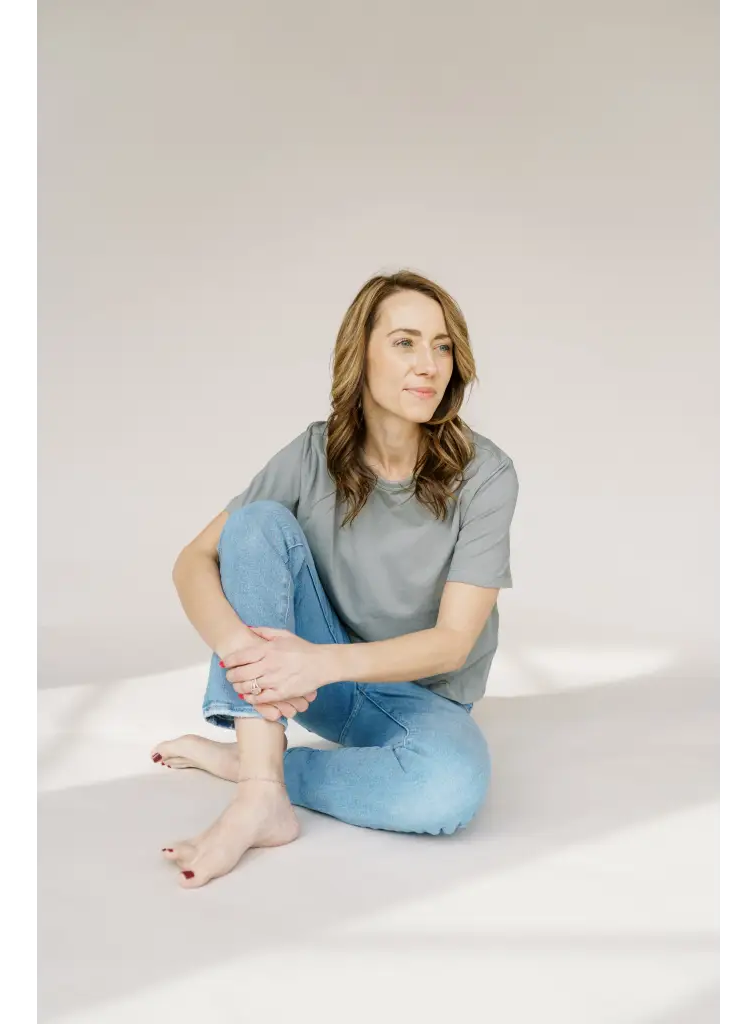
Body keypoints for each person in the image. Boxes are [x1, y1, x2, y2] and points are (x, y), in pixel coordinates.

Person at [152, 270, 519, 888]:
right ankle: (260, 797)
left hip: (417, 697)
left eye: (442, 345)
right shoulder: (310, 454)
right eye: (405, 342)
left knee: (449, 789)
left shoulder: (487, 475)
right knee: (256, 525)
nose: (428, 363)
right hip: (302, 680)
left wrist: (318, 665)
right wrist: (243, 652)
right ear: (362, 354)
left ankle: (254, 764)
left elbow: (454, 642)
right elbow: (193, 560)